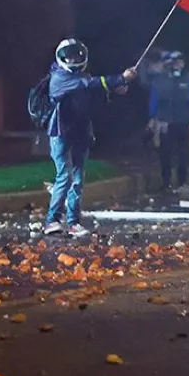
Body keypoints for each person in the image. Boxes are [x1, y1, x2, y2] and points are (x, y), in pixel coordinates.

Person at [44, 38, 137, 237]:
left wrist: (115, 89)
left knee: (77, 179)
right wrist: (121, 78)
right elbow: (89, 84)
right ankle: (52, 220)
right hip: (60, 133)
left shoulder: (81, 77)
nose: (73, 58)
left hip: (80, 132)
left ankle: (73, 222)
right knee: (65, 176)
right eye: (69, 55)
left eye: (76, 54)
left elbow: (93, 91)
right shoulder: (60, 78)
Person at [148, 51, 189, 190]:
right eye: (175, 62)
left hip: (183, 121)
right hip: (164, 122)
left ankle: (182, 181)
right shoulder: (160, 80)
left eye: (180, 62)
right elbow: (154, 100)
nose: (177, 65)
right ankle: (166, 182)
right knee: (165, 153)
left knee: (182, 153)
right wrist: (152, 118)